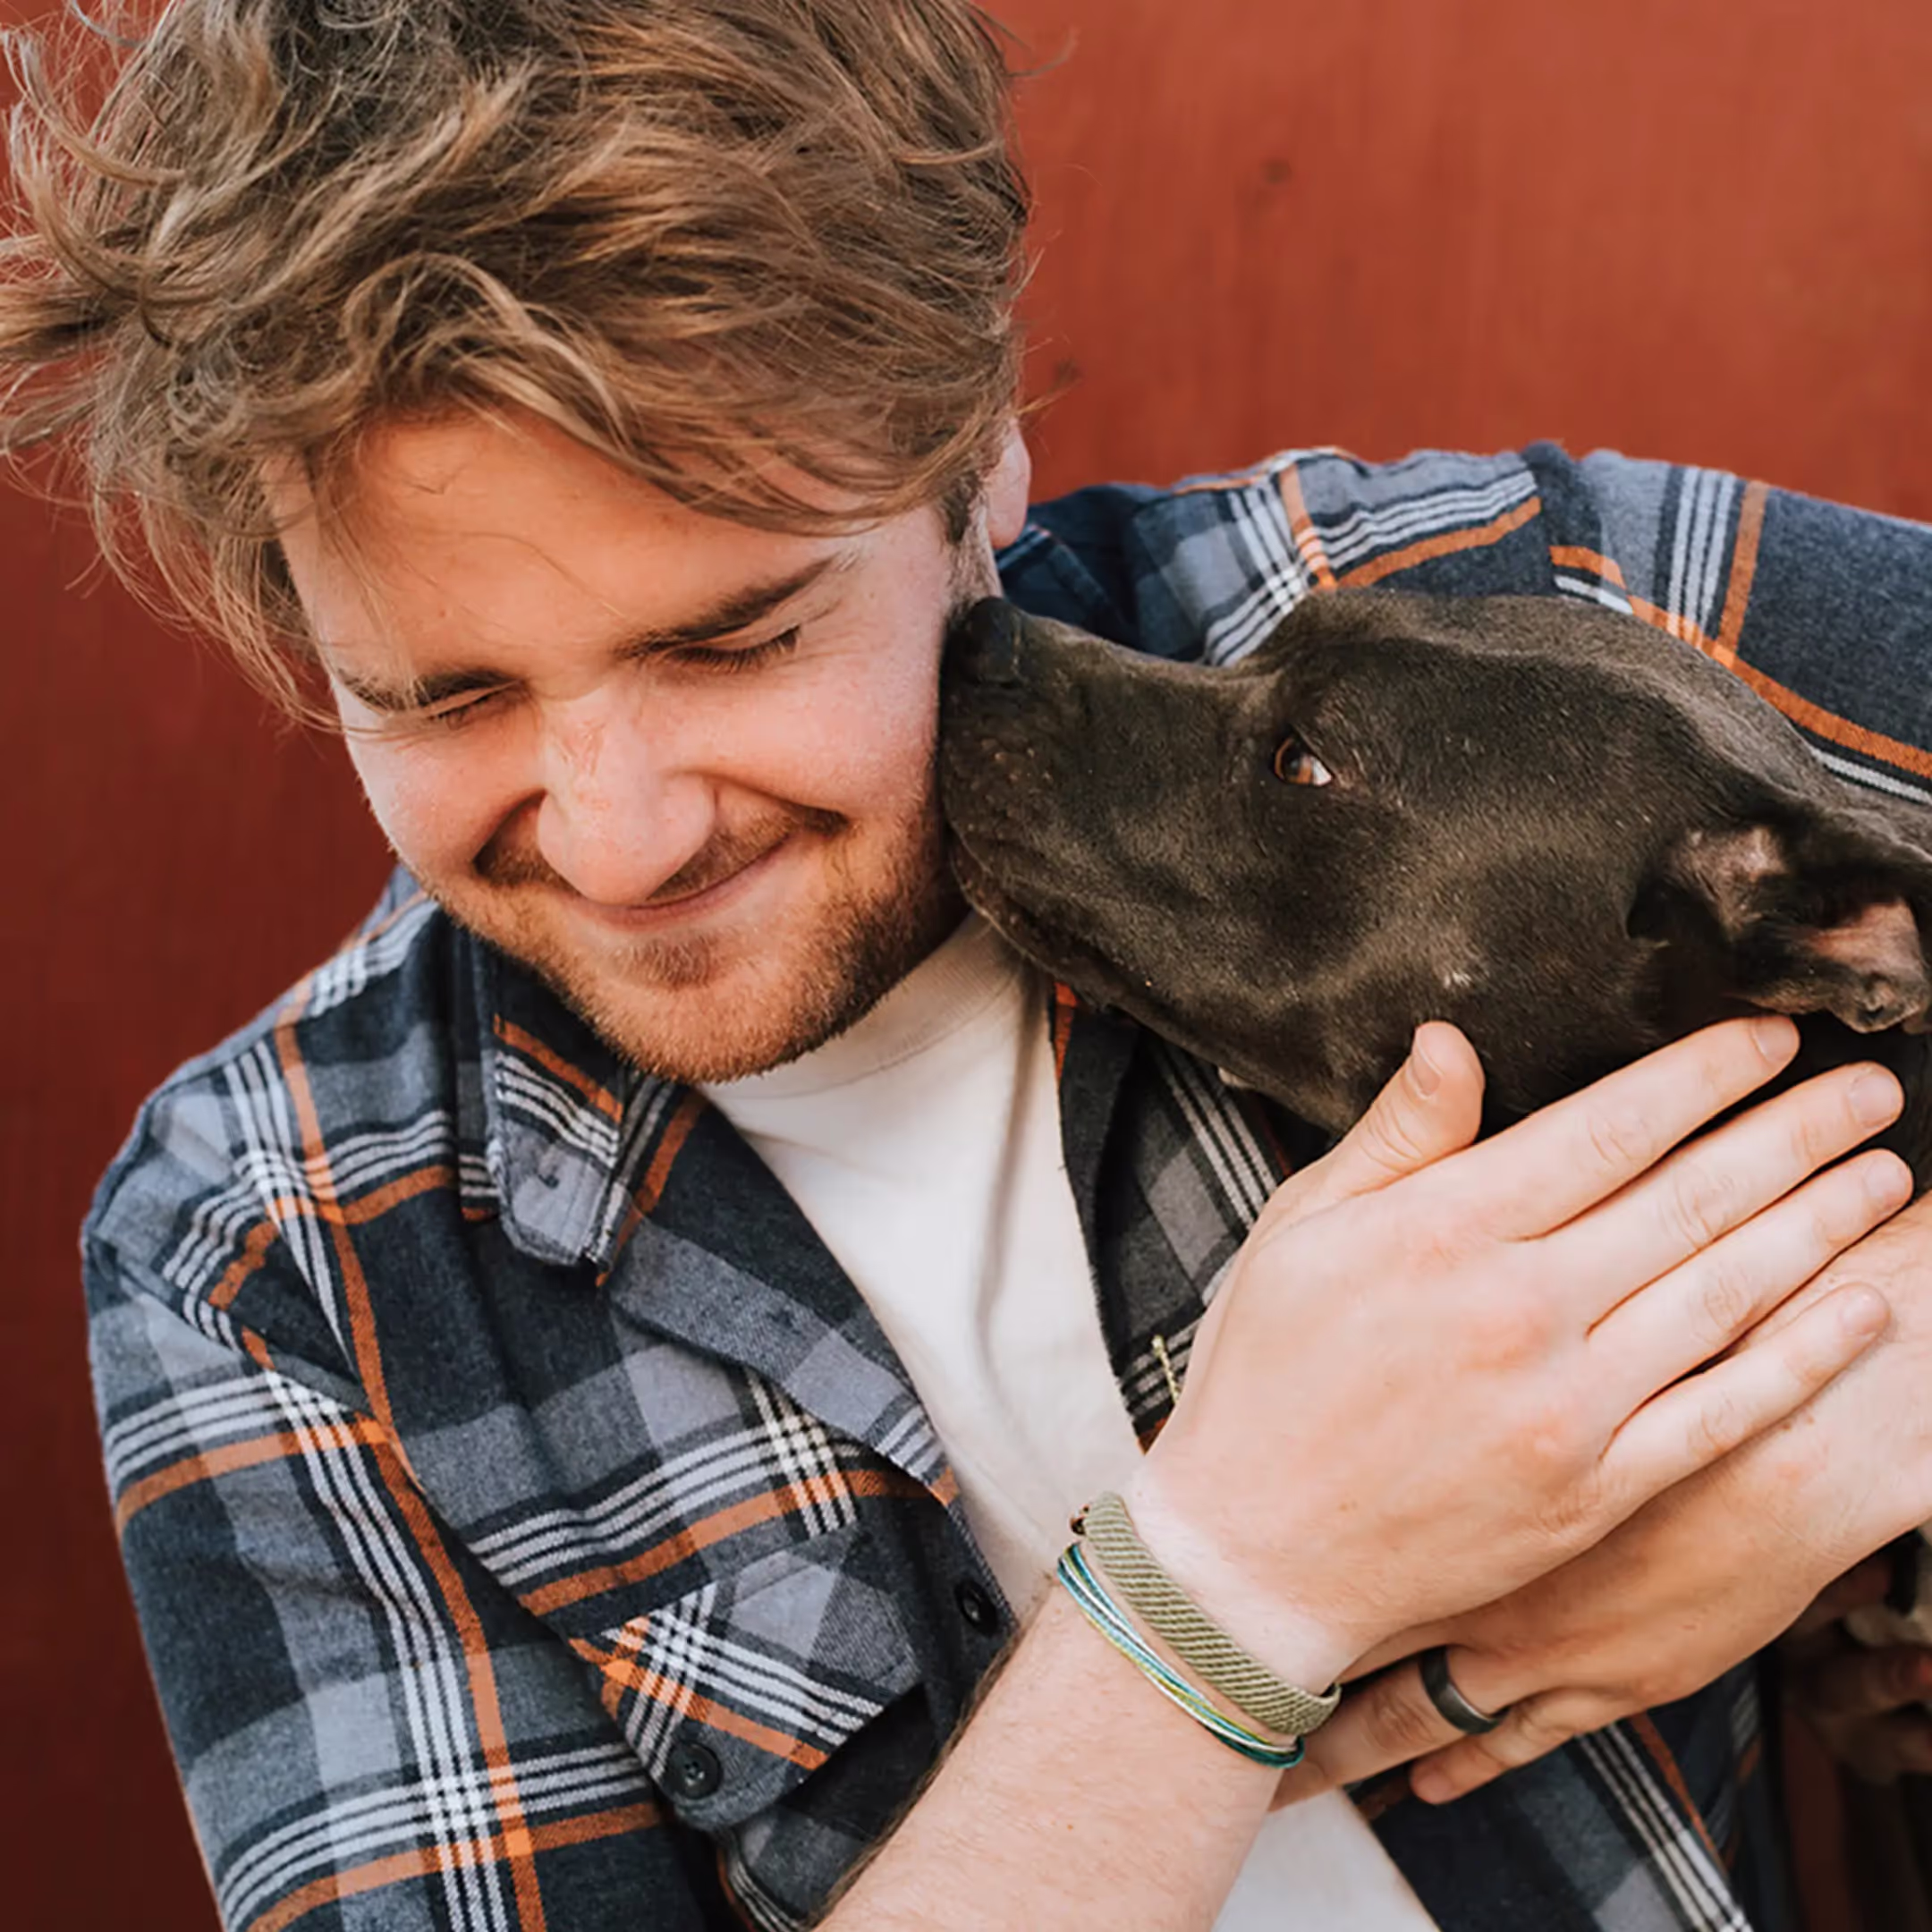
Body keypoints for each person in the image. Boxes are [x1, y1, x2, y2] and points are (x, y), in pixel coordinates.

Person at [6, 4, 1932, 1928]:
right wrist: (1235, 1584)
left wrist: (1885, 1404)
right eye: (446, 699)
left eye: (736, 640)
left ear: (975, 450)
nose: (624, 837)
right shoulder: (269, 1270)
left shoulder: (1517, 641)